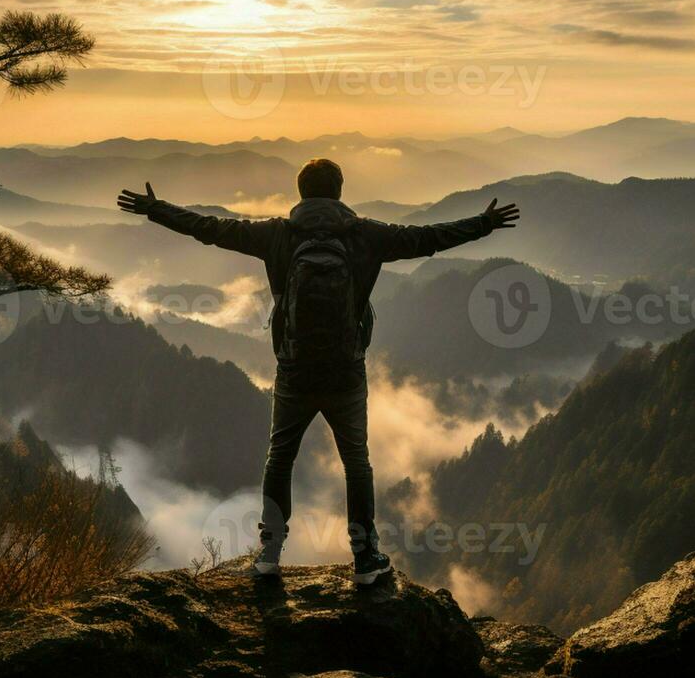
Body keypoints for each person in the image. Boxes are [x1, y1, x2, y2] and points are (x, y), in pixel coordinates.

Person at [117, 158, 520, 584]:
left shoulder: (277, 234)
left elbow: (211, 229)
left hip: (294, 369)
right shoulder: (367, 234)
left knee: (280, 457)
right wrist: (484, 223)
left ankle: (270, 552)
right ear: (340, 191)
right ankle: (365, 559)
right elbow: (429, 239)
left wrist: (156, 210)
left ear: (301, 192)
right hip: (346, 371)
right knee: (356, 462)